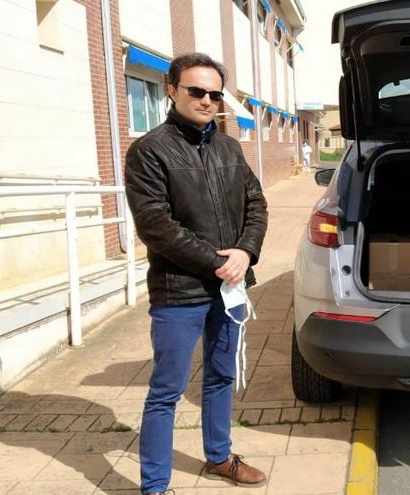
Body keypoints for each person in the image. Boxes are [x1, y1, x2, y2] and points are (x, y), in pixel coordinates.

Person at [125, 52, 269, 495]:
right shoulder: (149, 150)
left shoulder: (229, 147)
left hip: (230, 288)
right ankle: (154, 486)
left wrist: (245, 252)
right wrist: (219, 261)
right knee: (166, 391)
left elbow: (256, 205)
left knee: (221, 376)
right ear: (172, 90)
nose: (207, 100)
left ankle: (219, 457)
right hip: (179, 292)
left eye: (215, 94)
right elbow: (156, 226)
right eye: (197, 91)